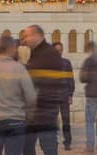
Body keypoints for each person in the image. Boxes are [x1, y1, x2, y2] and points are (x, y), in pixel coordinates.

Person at [0, 35, 39, 155]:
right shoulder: (19, 68)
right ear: (11, 49)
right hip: (16, 120)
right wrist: (28, 116)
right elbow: (31, 97)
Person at [22, 24, 75, 155]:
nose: (24, 40)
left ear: (36, 35)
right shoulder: (37, 53)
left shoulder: (48, 54)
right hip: (36, 112)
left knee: (47, 148)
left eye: (27, 36)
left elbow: (40, 82)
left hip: (43, 113)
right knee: (28, 147)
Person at [55, 41, 77, 150]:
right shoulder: (49, 64)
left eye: (60, 49)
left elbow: (71, 80)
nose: (59, 52)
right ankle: (54, 140)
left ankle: (67, 142)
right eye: (57, 50)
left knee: (66, 120)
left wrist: (70, 95)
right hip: (53, 97)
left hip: (64, 95)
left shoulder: (66, 63)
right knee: (53, 120)